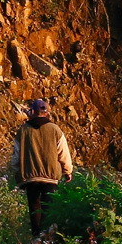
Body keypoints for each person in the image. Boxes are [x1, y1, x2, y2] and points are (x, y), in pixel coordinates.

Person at [10, 97, 74, 234]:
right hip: (51, 177)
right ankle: (46, 242)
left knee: (34, 210)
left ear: (32, 112)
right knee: (48, 210)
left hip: (30, 178)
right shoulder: (55, 130)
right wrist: (68, 171)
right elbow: (63, 153)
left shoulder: (23, 131)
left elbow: (16, 157)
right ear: (47, 113)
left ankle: (36, 241)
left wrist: (18, 172)